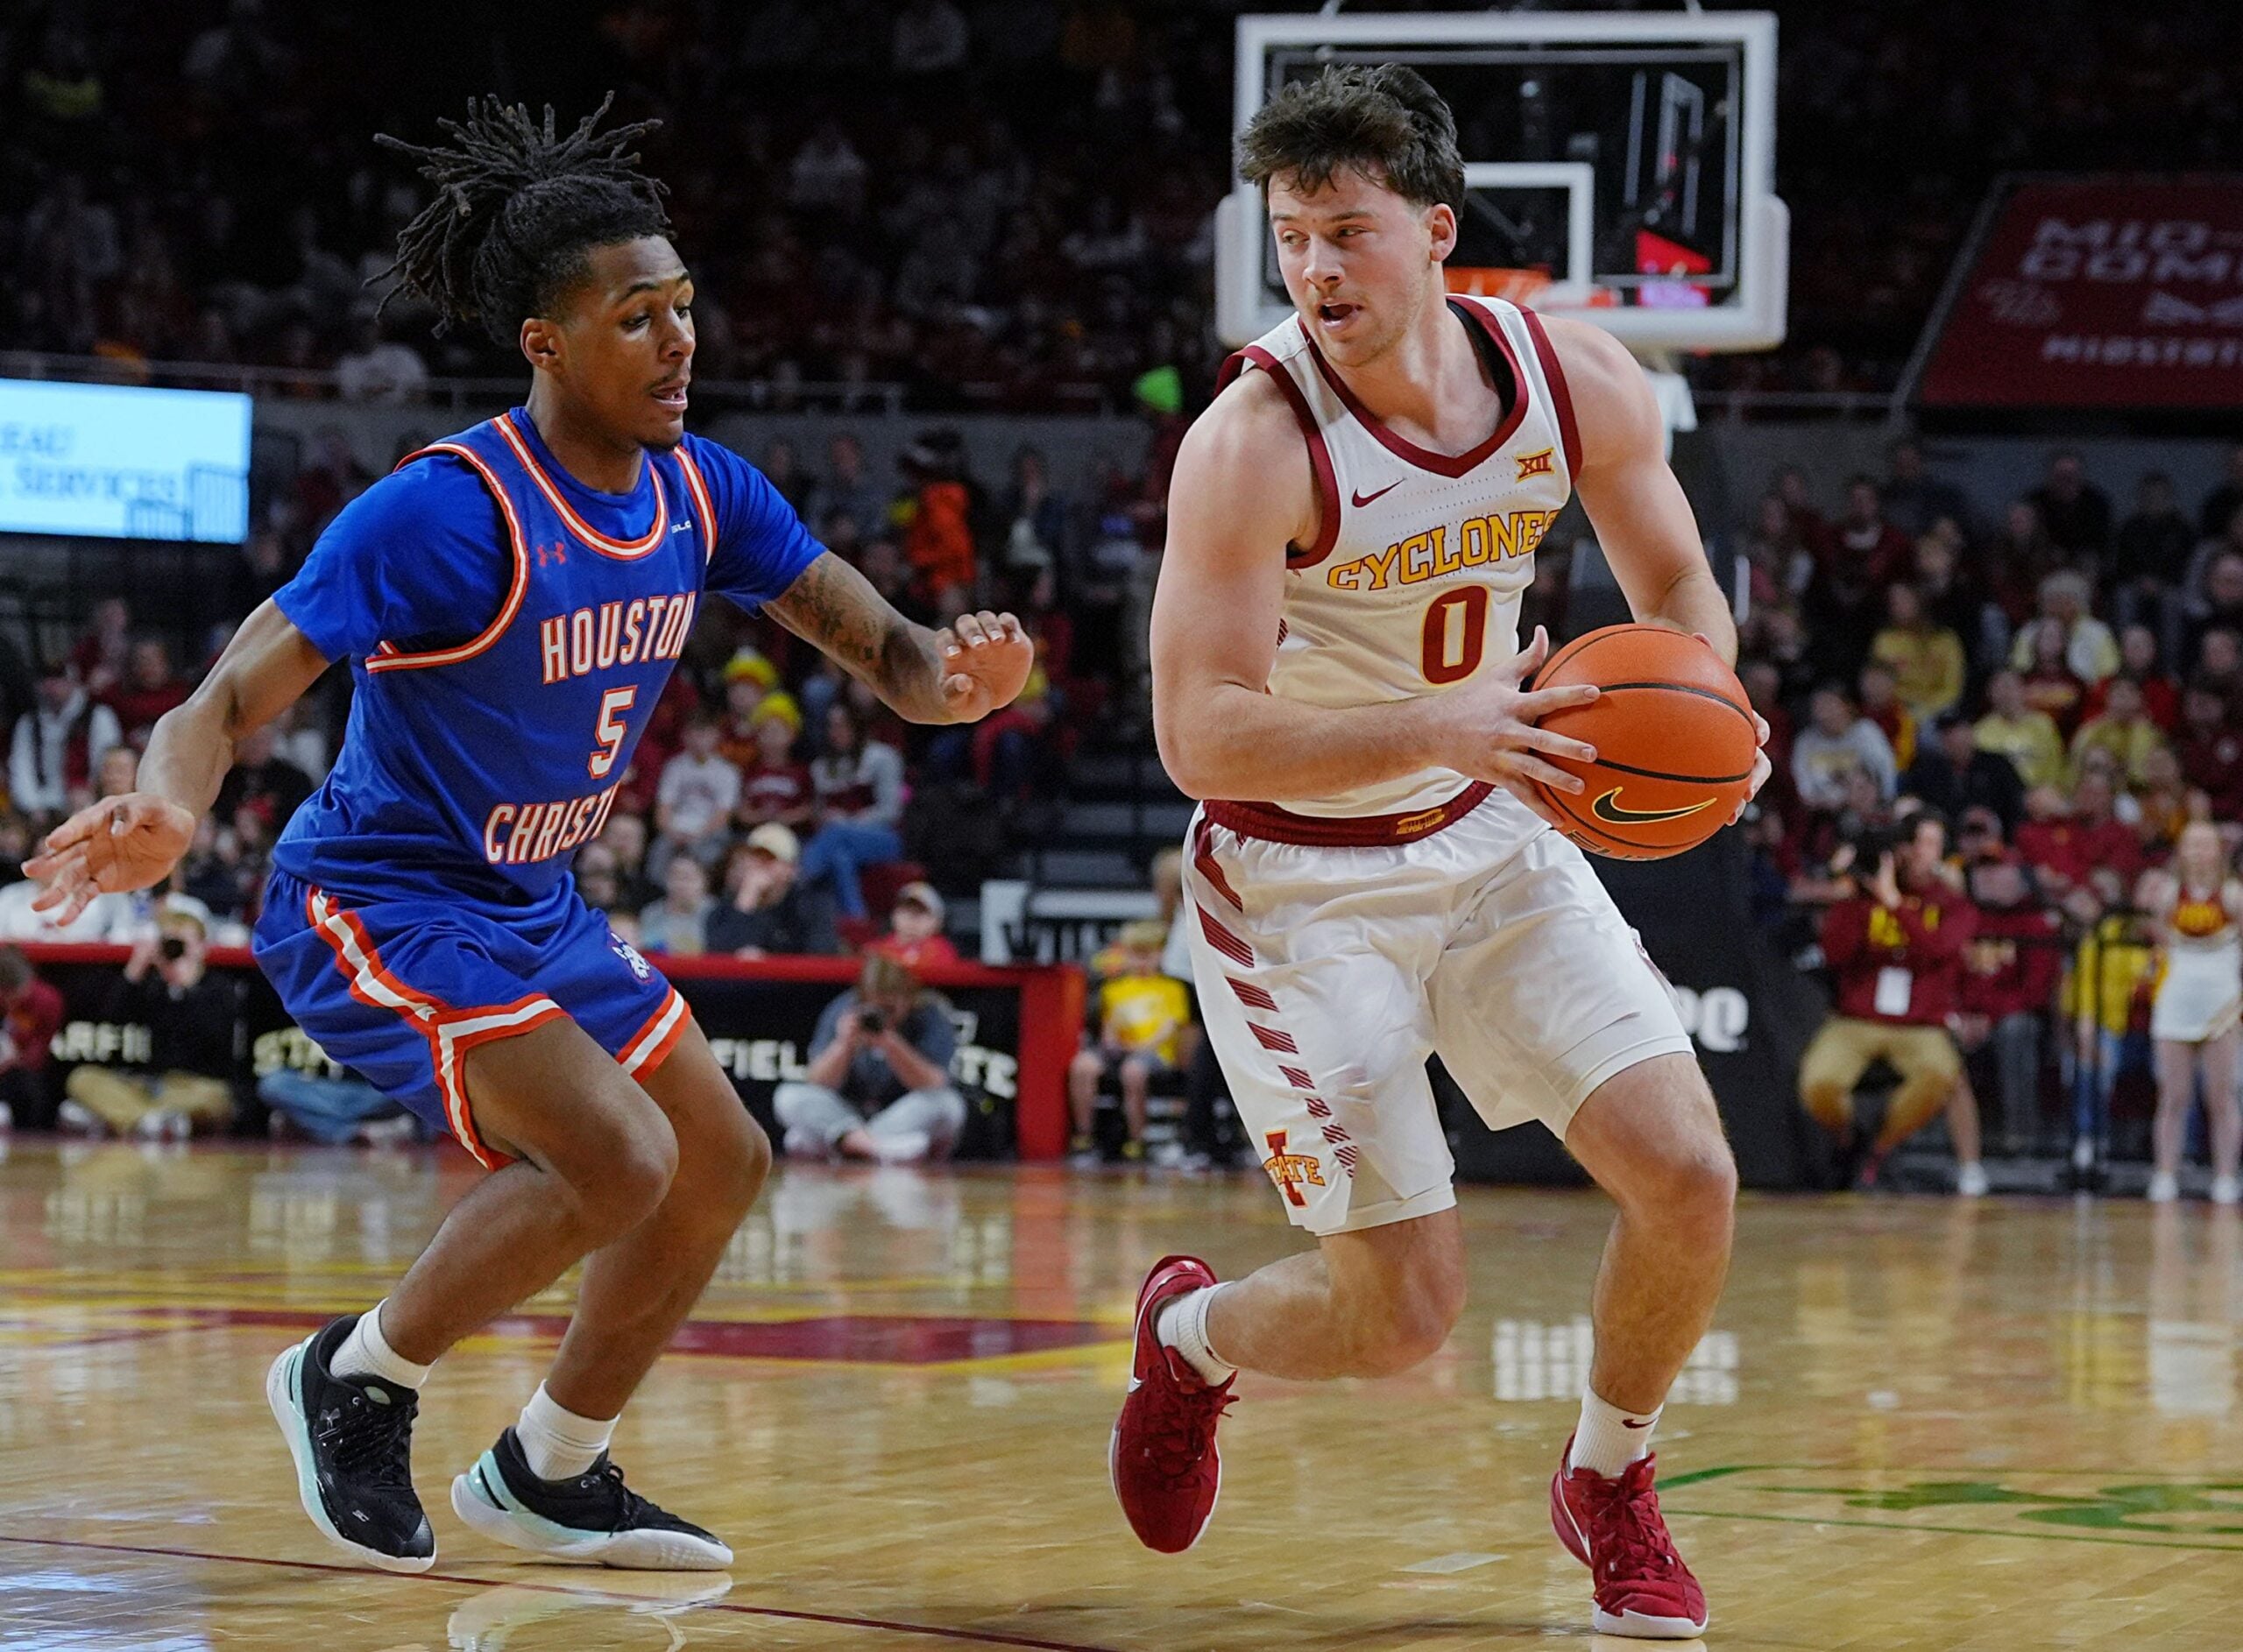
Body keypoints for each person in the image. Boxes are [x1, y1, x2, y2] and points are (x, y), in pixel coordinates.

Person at [25, 96, 1030, 1576]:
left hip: (534, 904)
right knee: (617, 1157)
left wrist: (957, 679)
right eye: (640, 318)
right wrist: (173, 803)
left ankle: (551, 1468)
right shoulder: (445, 509)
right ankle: (354, 1375)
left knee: (722, 1157)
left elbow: (881, 644)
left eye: (686, 308)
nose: (683, 341)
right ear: (548, 341)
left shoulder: (702, 490)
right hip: (377, 900)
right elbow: (234, 687)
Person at [1127, 67, 1771, 1640]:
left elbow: (1681, 585)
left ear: (1435, 230)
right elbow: (1199, 735)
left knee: (1689, 1178)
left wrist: (1712, 721)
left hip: (1487, 828)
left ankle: (1611, 1475)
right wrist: (1444, 724)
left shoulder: (1579, 381)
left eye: (1347, 233)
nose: (1319, 273)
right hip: (1289, 883)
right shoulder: (1249, 441)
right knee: (1404, 1318)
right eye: (1292, 241)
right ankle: (1196, 1335)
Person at [1797, 822, 1978, 1190]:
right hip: (1856, 1019)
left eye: (1929, 846)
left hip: (1920, 1024)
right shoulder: (1863, 900)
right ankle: (1850, 1138)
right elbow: (1835, 952)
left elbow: (1938, 949)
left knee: (1942, 1073)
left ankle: (1877, 1149)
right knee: (1819, 1083)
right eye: (1913, 846)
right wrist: (1856, 892)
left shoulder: (1953, 904)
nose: (1918, 855)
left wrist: (1895, 904)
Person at [58, 904, 239, 1140]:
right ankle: (151, 1121)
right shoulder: (153, 986)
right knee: (81, 1078)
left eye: (183, 943)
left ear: (202, 948)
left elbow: (212, 1038)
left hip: (195, 1086)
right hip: (148, 1086)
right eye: (170, 943)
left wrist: (185, 988)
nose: (177, 950)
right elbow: (113, 1021)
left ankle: (132, 1118)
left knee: (215, 1099)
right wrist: (135, 970)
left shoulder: (219, 989)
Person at [772, 954, 966, 1163]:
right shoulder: (843, 1011)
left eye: (890, 1008)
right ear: (862, 1000)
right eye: (876, 1008)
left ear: (909, 999)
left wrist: (891, 1043)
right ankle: (874, 1148)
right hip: (847, 1113)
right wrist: (843, 1044)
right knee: (789, 1096)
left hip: (898, 1117)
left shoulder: (930, 1015)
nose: (883, 1015)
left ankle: (842, 1145)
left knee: (948, 1105)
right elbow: (819, 1082)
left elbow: (932, 1083)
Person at [2139, 823, 2242, 1204]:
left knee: (2222, 1095)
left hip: (2222, 1000)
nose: (2198, 852)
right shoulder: (2168, 894)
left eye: (2205, 844)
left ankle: (2226, 1176)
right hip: (2178, 998)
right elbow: (2157, 934)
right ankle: (2165, 1172)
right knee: (2173, 1095)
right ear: (2180, 851)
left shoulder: (2232, 895)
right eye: (2191, 845)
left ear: (2219, 850)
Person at [1069, 918, 1191, 1166]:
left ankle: (1137, 1140)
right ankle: (1084, 1135)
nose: (1142, 961)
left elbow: (1170, 1029)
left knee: (1133, 1071)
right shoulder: (1114, 989)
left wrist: (1141, 1048)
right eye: (1136, 954)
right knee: (1084, 1066)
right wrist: (1112, 1041)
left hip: (1155, 1054)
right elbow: (1109, 1027)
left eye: (1149, 954)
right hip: (1121, 1050)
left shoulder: (1172, 988)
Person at [8, 660, 123, 821]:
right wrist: (33, 806)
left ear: (73, 682)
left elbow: (106, 764)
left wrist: (91, 795)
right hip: (42, 807)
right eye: (46, 681)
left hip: (89, 804)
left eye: (58, 679)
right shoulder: (29, 723)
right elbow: (20, 767)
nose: (51, 687)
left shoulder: (99, 716)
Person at [704, 824, 835, 957]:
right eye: (754, 857)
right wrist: (747, 898)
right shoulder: (725, 907)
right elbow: (716, 957)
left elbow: (820, 955)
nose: (760, 865)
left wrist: (768, 961)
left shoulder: (813, 906)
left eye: (769, 860)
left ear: (791, 869)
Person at [1792, 684, 1897, 811]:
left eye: (1829, 704)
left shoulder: (1866, 732)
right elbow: (1803, 788)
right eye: (1818, 706)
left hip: (1870, 807)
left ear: (1846, 706)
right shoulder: (1806, 741)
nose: (1823, 712)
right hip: (1823, 811)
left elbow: (1884, 774)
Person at [0, 944, 65, 1132]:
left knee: (29, 1087)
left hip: (26, 1072)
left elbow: (37, 1055)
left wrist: (13, 1060)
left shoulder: (47, 1001)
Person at [867, 879, 958, 971]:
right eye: (906, 911)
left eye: (921, 912)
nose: (912, 918)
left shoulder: (942, 951)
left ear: (938, 922)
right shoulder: (875, 949)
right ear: (894, 916)